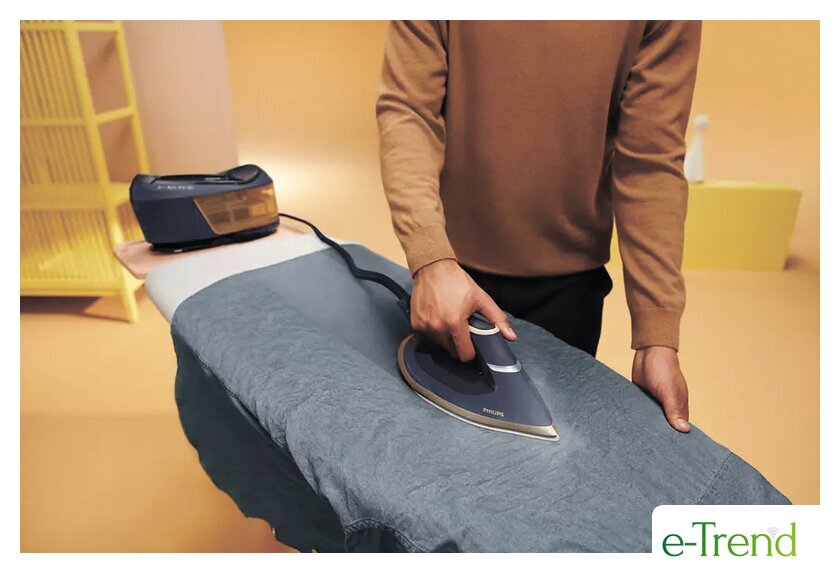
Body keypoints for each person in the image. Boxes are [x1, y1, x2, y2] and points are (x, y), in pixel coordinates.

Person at [376, 21, 701, 433]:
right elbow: (409, 110)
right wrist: (431, 257)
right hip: (452, 274)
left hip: (572, 291)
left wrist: (657, 337)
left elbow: (650, 161)